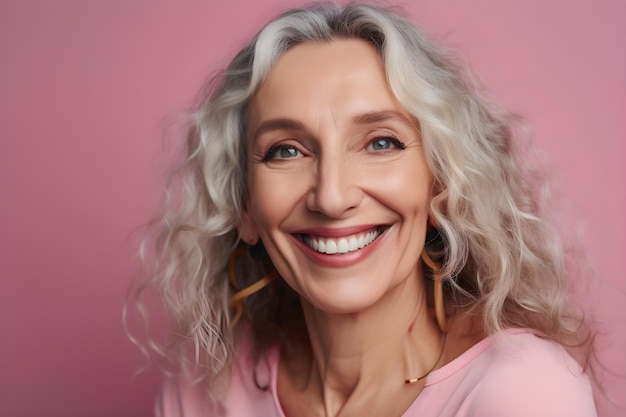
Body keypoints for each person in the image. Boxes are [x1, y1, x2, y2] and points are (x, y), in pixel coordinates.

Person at [140, 3, 598, 416]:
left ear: (441, 186)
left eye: (381, 142)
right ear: (242, 204)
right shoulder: (207, 391)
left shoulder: (524, 395)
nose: (332, 197)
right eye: (286, 151)